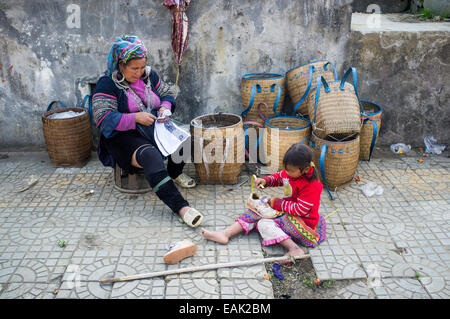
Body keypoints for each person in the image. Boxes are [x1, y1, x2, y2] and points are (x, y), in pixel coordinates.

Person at [92, 35, 203, 228]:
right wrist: (135, 118)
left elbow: (167, 93)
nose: (139, 72)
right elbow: (103, 118)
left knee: (187, 140)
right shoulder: (107, 84)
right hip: (122, 136)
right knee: (150, 156)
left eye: (142, 67)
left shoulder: (149, 76)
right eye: (134, 68)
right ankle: (181, 207)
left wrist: (165, 108)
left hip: (152, 126)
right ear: (121, 65)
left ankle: (172, 174)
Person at [201, 143, 326, 259]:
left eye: (291, 171)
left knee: (264, 223)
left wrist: (276, 203)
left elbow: (300, 209)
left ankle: (294, 248)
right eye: (286, 169)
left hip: (304, 221)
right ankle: (225, 234)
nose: (287, 173)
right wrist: (266, 181)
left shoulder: (312, 186)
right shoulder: (293, 173)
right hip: (288, 211)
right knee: (258, 209)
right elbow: (280, 177)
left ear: (304, 170)